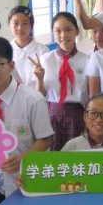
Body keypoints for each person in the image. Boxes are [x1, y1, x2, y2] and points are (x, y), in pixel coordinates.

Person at [0, 36, 53, 197]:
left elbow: (45, 139)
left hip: (25, 177)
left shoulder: (33, 99)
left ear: (11, 65)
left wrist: (24, 157)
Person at [32, 12, 89, 151]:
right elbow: (40, 96)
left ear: (77, 31)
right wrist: (39, 78)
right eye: (58, 31)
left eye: (68, 29)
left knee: (77, 155)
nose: (63, 35)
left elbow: (92, 94)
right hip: (51, 115)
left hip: (78, 114)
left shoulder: (88, 60)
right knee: (53, 156)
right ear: (53, 33)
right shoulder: (45, 59)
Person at [7, 5, 50, 89]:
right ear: (9, 26)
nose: (20, 28)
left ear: (31, 26)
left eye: (25, 23)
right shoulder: (5, 50)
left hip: (36, 95)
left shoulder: (42, 51)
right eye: (15, 23)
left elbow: (47, 85)